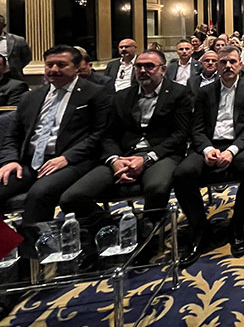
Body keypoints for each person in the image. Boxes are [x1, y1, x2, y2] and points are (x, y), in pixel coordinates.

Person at [60, 50, 191, 241]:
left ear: (163, 69)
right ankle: (114, 228)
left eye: (149, 66)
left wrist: (147, 159)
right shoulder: (121, 96)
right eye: (139, 66)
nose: (143, 70)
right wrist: (114, 160)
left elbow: (180, 134)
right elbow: (108, 135)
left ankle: (148, 235)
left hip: (161, 154)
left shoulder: (179, 93)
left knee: (157, 188)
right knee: (71, 197)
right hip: (123, 155)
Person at [174, 46, 244, 265]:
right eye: (223, 62)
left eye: (232, 61)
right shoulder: (205, 92)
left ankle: (238, 223)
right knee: (181, 174)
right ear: (216, 66)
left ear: (240, 65)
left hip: (240, 143)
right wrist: (207, 149)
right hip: (210, 143)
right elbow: (196, 128)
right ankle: (200, 227)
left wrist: (231, 151)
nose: (228, 66)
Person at [0, 45, 110, 224]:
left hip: (71, 161)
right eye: (49, 65)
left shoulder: (95, 93)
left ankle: (33, 242)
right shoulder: (31, 97)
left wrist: (67, 158)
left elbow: (100, 134)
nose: (54, 69)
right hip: (30, 162)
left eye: (61, 65)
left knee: (39, 194)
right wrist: (10, 160)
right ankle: (6, 240)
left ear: (77, 67)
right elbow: (13, 135)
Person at [0, 14, 32, 80]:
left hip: (12, 75)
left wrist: (16, 66)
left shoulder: (18, 40)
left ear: (4, 25)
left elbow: (27, 57)